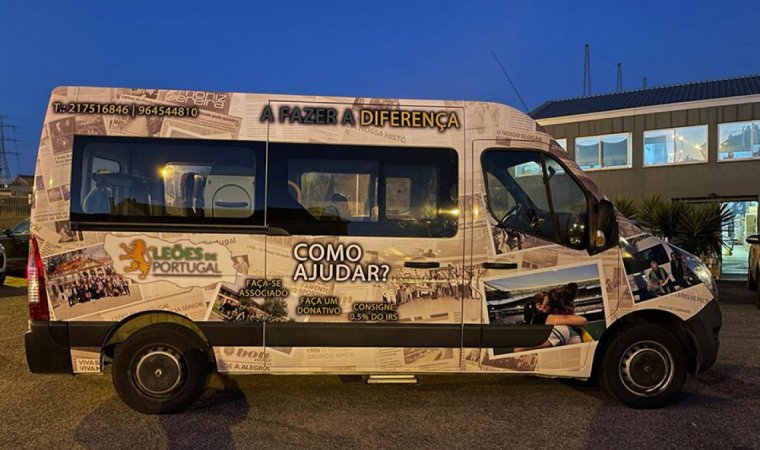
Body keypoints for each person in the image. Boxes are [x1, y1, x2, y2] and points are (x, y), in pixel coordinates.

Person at [515, 285, 586, 352]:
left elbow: (518, 349)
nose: (542, 308)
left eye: (544, 305)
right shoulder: (567, 324)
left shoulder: (561, 329)